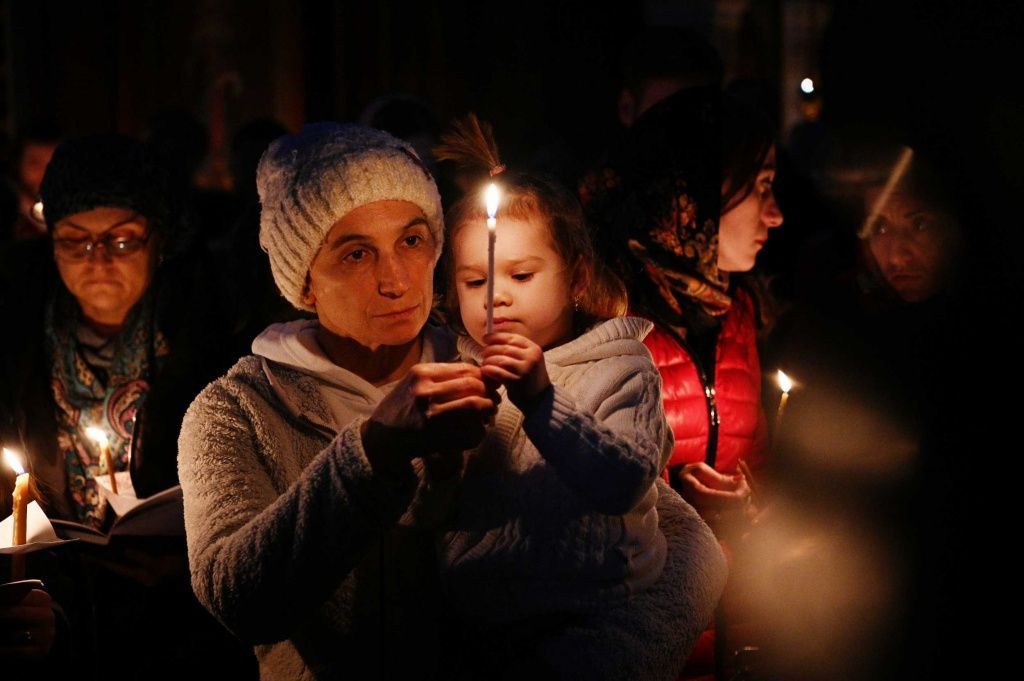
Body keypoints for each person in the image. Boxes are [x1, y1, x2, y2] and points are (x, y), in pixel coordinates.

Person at [178, 121, 728, 680]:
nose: (396, 280)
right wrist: (372, 452)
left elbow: (679, 543)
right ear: (304, 282)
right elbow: (237, 598)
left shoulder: (499, 364)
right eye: (356, 254)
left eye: (412, 241)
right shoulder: (240, 409)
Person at [433, 117, 723, 680]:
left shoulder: (621, 368)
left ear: (578, 279)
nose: (496, 298)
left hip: (594, 615)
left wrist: (542, 402)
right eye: (475, 282)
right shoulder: (451, 366)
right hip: (483, 625)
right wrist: (441, 450)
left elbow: (624, 480)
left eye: (521, 275)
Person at [0, 134, 255, 677]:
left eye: (120, 241)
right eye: (75, 241)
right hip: (62, 621)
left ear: (158, 240)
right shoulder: (17, 341)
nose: (96, 259)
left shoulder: (214, 337)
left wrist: (194, 563)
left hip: (190, 632)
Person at [585, 86, 783, 680]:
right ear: (690, 191)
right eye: (761, 187)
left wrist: (750, 503)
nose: (775, 214)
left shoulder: (737, 312)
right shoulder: (608, 317)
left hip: (737, 643)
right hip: (645, 645)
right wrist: (673, 508)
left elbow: (761, 464)